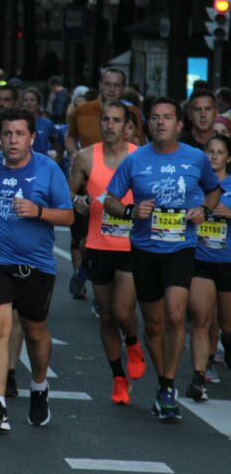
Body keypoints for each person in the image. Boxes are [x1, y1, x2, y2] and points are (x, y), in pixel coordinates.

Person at [104, 97, 221, 422]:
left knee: (175, 313)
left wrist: (204, 210)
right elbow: (111, 200)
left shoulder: (196, 159)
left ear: (178, 124)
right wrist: (131, 210)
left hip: (181, 248)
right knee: (154, 325)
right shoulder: (135, 160)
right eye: (155, 118)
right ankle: (162, 380)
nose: (160, 123)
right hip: (145, 248)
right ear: (148, 124)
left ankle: (169, 385)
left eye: (167, 118)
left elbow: (213, 191)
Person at [0, 107, 74, 432]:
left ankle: (39, 386)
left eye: (19, 134)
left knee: (35, 332)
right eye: (6, 133)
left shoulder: (48, 170)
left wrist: (38, 211)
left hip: (36, 263)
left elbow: (67, 217)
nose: (12, 140)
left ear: (32, 138)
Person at [69, 101, 145, 405]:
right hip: (98, 245)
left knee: (124, 310)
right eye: (105, 120)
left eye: (116, 121)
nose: (110, 125)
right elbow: (69, 191)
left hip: (131, 245)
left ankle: (134, 343)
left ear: (127, 127)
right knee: (106, 315)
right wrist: (78, 201)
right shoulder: (87, 157)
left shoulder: (139, 158)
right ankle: (117, 377)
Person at [188, 135, 231, 403]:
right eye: (210, 152)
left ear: (228, 158)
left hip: (227, 261)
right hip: (200, 259)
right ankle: (198, 377)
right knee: (201, 318)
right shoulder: (196, 185)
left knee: (227, 326)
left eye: (220, 152)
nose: (214, 157)